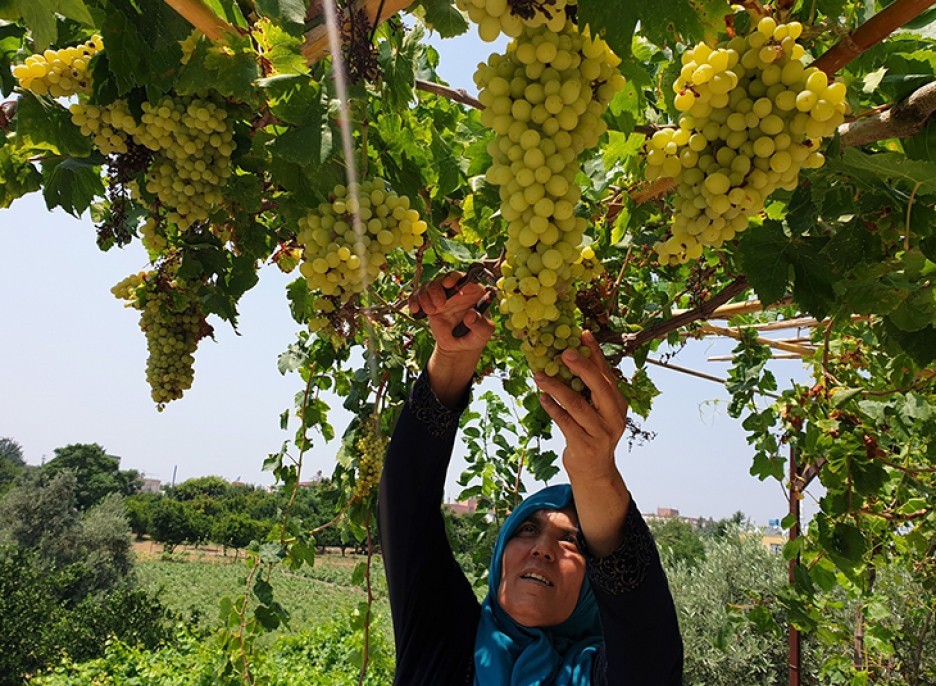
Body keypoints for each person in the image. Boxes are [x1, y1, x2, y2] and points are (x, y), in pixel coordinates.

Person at [378, 272, 684, 685]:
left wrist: (595, 474)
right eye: (526, 529)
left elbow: (646, 638)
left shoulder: (604, 677)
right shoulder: (441, 640)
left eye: (571, 541)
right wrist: (451, 360)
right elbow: (406, 506)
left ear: (595, 584)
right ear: (500, 554)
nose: (542, 548)